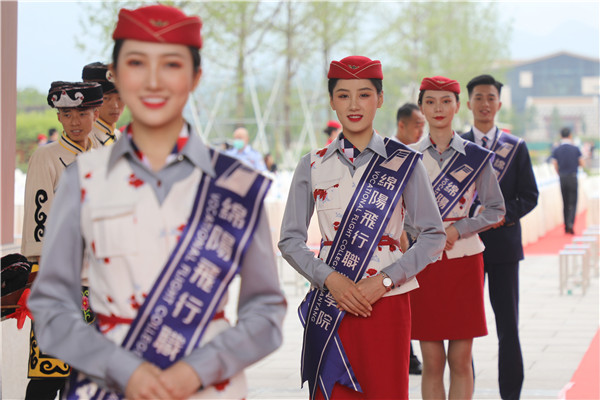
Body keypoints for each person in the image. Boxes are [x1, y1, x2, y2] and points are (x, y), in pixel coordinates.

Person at [29, 5, 286, 400]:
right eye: (137, 63)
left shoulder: (236, 183)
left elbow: (266, 311)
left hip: (209, 388)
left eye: (171, 64)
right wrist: (124, 371)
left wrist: (195, 370)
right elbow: (50, 305)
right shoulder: (83, 180)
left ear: (195, 77)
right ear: (116, 75)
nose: (153, 81)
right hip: (108, 386)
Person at [279, 56, 446, 399]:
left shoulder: (405, 163)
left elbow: (433, 236)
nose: (354, 105)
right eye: (343, 95)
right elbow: (290, 240)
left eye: (364, 95)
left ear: (380, 99)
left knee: (387, 391)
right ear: (332, 101)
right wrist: (329, 279)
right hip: (331, 303)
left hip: (387, 302)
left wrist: (384, 280)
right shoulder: (312, 165)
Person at [410, 76, 505, 399]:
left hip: (464, 260)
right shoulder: (407, 157)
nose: (438, 108)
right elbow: (397, 213)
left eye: (445, 101)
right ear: (421, 108)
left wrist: (458, 229)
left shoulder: (475, 156)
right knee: (432, 361)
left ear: (457, 106)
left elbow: (496, 210)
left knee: (461, 359)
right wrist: (422, 233)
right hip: (424, 263)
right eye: (430, 102)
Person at [21, 80, 103, 400]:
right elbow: (37, 224)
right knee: (49, 375)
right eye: (66, 115)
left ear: (95, 114)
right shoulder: (47, 157)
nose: (74, 122)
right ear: (58, 117)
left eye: (81, 113)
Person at [462, 74, 538, 400]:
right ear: (468, 103)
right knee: (464, 329)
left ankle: (511, 394)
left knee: (508, 326)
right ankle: (465, 390)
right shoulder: (457, 146)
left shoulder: (516, 147)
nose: (485, 104)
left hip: (504, 246)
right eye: (479, 97)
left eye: (490, 98)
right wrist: (471, 215)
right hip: (465, 248)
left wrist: (501, 215)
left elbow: (530, 195)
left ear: (499, 103)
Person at [393, 102, 427, 376]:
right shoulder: (389, 156)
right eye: (417, 125)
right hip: (398, 241)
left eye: (422, 125)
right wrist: (403, 238)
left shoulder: (417, 155)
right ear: (401, 125)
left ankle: (410, 354)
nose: (421, 131)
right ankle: (408, 355)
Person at [82, 61, 126, 147]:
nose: (115, 106)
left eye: (120, 98)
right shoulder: (85, 140)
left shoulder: (119, 136)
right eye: (106, 98)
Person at [550, 127, 584, 234]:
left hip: (562, 177)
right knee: (573, 202)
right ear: (570, 135)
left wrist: (559, 173)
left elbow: (555, 164)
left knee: (565, 201)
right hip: (572, 176)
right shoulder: (575, 148)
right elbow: (582, 163)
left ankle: (565, 225)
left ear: (561, 136)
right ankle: (570, 223)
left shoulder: (557, 149)